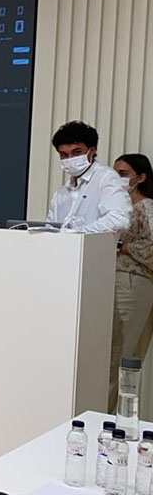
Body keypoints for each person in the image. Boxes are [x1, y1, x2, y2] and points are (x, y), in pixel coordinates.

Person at [109, 153, 153, 411]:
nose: (118, 179)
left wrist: (123, 247)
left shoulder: (146, 208)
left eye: (123, 174)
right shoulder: (119, 208)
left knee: (118, 355)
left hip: (132, 282)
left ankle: (103, 415)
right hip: (117, 281)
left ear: (141, 177)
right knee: (118, 357)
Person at [46, 121, 131, 233]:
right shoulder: (60, 194)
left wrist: (80, 233)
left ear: (92, 151)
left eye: (77, 152)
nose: (70, 158)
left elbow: (119, 220)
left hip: (93, 245)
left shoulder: (106, 178)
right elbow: (49, 228)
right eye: (64, 155)